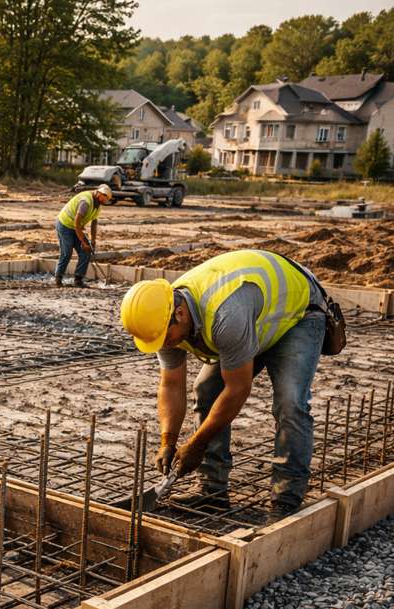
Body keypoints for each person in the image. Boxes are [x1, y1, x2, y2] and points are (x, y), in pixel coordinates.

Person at [118, 249, 327, 522]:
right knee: (206, 391)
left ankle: (286, 500)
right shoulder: (161, 320)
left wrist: (197, 443)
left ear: (180, 314)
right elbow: (171, 384)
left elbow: (237, 389)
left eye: (164, 338)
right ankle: (212, 491)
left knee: (290, 402)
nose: (164, 344)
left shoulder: (225, 315)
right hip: (253, 318)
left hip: (297, 314)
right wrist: (167, 441)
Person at [54, 184, 112, 287]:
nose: (105, 201)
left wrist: (92, 241)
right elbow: (76, 222)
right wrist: (83, 241)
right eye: (105, 198)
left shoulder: (98, 204)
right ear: (99, 193)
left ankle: (78, 279)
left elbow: (94, 223)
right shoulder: (86, 202)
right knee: (67, 253)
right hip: (65, 225)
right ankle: (58, 279)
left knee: (86, 251)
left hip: (76, 227)